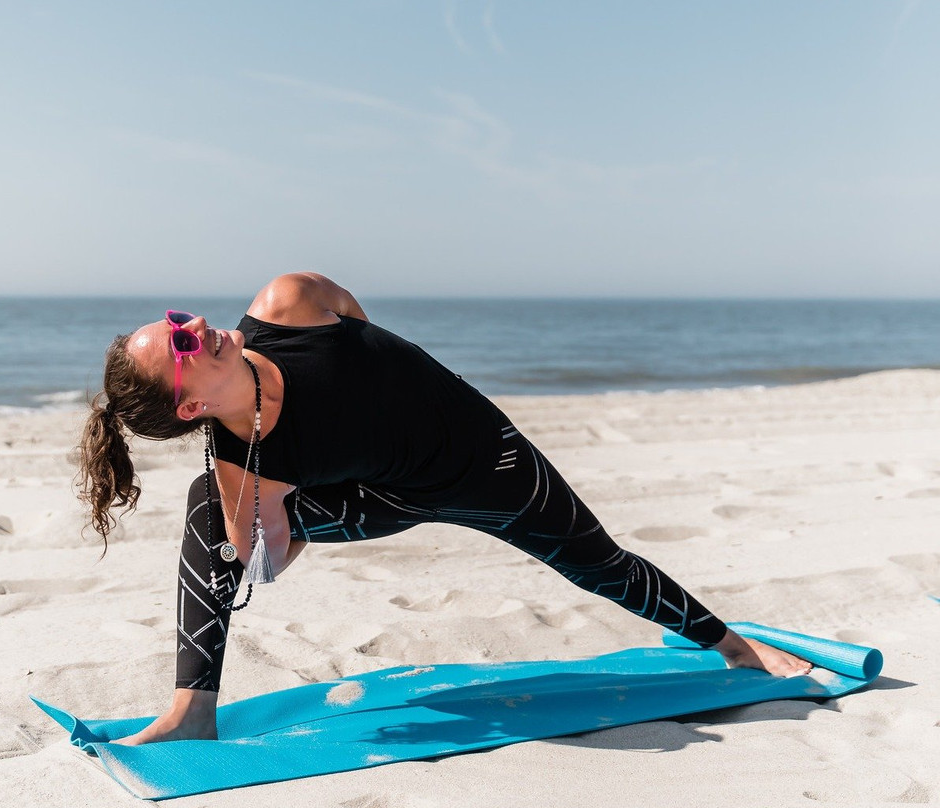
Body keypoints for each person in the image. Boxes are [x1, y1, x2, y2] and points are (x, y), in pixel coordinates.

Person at [77, 272, 812, 745]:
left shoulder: (288, 303)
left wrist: (388, 397)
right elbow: (265, 562)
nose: (194, 322)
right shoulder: (243, 467)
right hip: (386, 495)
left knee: (600, 566)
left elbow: (359, 326)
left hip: (485, 463)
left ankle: (732, 645)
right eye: (179, 342)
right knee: (210, 504)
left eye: (177, 316)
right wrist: (263, 524)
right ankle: (191, 710)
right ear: (193, 404)